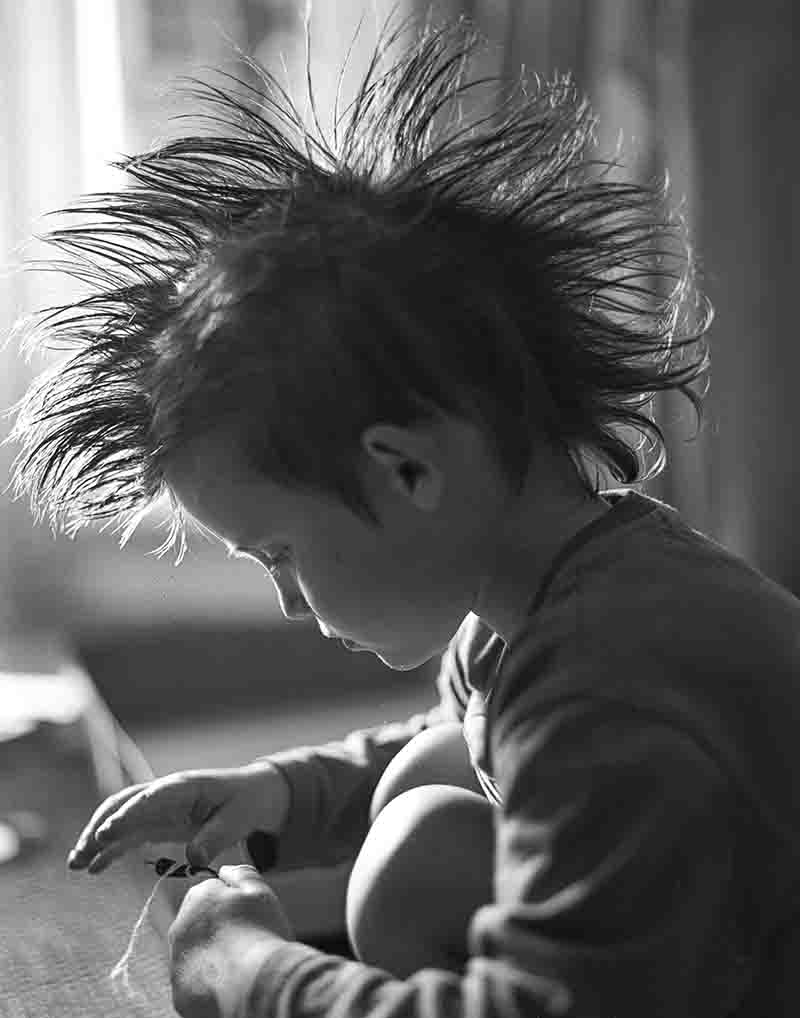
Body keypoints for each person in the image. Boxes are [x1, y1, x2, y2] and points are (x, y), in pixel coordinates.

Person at [8, 13, 800, 1018]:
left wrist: (242, 971)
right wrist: (280, 795)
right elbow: (474, 733)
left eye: (278, 551)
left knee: (419, 832)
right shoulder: (558, 601)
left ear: (405, 470)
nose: (290, 601)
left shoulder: (616, 688)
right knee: (429, 785)